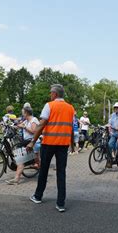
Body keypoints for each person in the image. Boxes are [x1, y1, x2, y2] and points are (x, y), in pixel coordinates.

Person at [27, 84, 75, 212]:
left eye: (50, 93)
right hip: (63, 144)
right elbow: (70, 127)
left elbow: (42, 124)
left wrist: (33, 141)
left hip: (49, 143)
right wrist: (72, 144)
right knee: (61, 172)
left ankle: (38, 196)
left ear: (54, 94)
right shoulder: (70, 108)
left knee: (44, 170)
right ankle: (60, 204)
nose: (50, 95)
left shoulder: (49, 105)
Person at [6, 106, 40, 185]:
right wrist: (8, 125)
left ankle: (16, 179)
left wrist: (24, 127)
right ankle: (38, 165)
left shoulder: (33, 120)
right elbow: (17, 126)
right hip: (27, 143)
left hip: (33, 143)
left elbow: (34, 131)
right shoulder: (26, 121)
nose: (22, 115)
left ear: (26, 113)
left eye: (23, 113)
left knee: (21, 160)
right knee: (22, 159)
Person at [107, 102, 118, 168]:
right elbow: (109, 123)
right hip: (114, 133)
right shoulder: (113, 115)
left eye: (117, 107)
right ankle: (110, 161)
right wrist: (108, 127)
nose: (116, 108)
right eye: (115, 107)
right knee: (109, 145)